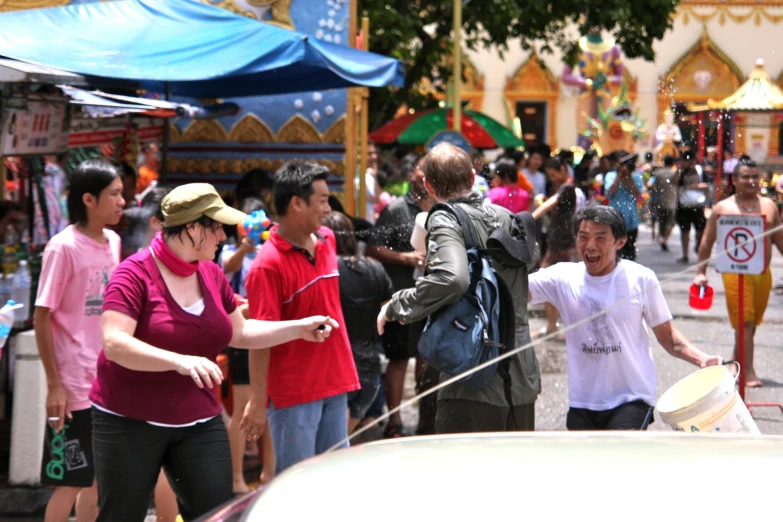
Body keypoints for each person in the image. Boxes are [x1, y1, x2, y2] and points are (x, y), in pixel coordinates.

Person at [90, 183, 336, 522]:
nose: (223, 235)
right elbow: (115, 343)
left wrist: (298, 328)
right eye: (217, 226)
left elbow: (240, 332)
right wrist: (179, 361)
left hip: (197, 419)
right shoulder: (132, 274)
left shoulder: (210, 272)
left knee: (215, 513)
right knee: (122, 514)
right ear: (192, 227)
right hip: (129, 419)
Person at [377, 143, 541, 434]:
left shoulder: (443, 217)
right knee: (514, 474)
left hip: (474, 374)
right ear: (471, 178)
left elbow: (452, 278)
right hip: (520, 374)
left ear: (427, 185)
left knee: (464, 475)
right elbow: (532, 262)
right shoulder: (503, 216)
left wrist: (398, 304)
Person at [529, 205, 723, 430]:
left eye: (600, 238)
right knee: (585, 464)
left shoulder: (641, 278)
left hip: (632, 398)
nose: (590, 246)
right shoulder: (562, 277)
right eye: (583, 237)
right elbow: (513, 289)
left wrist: (703, 360)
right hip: (583, 401)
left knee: (618, 459)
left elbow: (668, 336)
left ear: (620, 242)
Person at [241, 162, 358, 475]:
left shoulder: (329, 240)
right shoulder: (267, 265)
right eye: (321, 200)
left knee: (334, 481)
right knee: (298, 485)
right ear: (297, 203)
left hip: (335, 380)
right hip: (294, 392)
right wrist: (256, 399)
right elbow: (258, 336)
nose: (328, 208)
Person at [34, 160, 125, 522]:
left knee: (97, 480)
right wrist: (55, 386)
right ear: (89, 199)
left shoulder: (114, 241)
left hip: (108, 380)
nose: (123, 201)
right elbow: (43, 316)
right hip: (72, 384)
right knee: (70, 480)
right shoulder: (62, 248)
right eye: (115, 194)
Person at [694, 158, 783, 388]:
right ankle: (748, 372)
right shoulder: (723, 207)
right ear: (734, 180)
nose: (751, 181)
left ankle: (735, 364)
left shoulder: (769, 206)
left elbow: (779, 240)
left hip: (762, 273)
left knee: (750, 324)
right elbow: (707, 241)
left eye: (755, 176)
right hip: (733, 272)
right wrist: (700, 272)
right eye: (746, 177)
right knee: (744, 322)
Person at [367, 155, 431, 438]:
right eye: (420, 173)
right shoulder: (395, 209)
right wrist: (405, 258)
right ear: (411, 177)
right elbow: (372, 248)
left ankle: (427, 419)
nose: (424, 179)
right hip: (402, 294)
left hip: (432, 295)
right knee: (399, 358)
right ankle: (394, 421)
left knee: (427, 357)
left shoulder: (441, 209)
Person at [218, 197, 272, 494]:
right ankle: (236, 477)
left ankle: (270, 474)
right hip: (241, 336)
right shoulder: (230, 250)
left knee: (271, 406)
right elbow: (227, 268)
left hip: (267, 332)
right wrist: (245, 248)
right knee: (241, 411)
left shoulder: (271, 251)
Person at [324, 211, 392, 433]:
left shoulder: (327, 270)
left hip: (337, 371)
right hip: (370, 374)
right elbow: (388, 308)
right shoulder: (375, 267)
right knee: (340, 441)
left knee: (329, 449)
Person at [532, 157, 585, 339]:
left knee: (549, 283)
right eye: (550, 176)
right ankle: (553, 325)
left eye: (554, 174)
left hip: (563, 244)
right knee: (552, 285)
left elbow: (549, 205)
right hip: (557, 242)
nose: (552, 178)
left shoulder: (568, 187)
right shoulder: (563, 189)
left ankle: (562, 326)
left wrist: (529, 219)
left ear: (563, 169)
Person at [604, 152, 643, 261]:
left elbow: (637, 196)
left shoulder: (636, 177)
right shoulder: (610, 176)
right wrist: (619, 177)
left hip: (631, 220)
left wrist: (629, 178)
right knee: (614, 253)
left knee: (630, 252)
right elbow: (610, 193)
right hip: (614, 220)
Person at [675, 152, 708, 264]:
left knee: (700, 229)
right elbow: (674, 184)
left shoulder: (700, 170)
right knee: (685, 230)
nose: (689, 163)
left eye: (691, 161)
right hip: (683, 205)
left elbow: (706, 185)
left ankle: (699, 247)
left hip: (698, 205)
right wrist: (681, 172)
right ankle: (685, 255)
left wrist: (692, 187)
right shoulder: (680, 172)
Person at [651, 155, 679, 251]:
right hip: (672, 202)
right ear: (672, 163)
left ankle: (662, 237)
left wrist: (652, 200)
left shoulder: (658, 173)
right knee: (670, 223)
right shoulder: (675, 173)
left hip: (660, 201)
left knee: (662, 222)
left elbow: (653, 187)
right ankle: (665, 240)